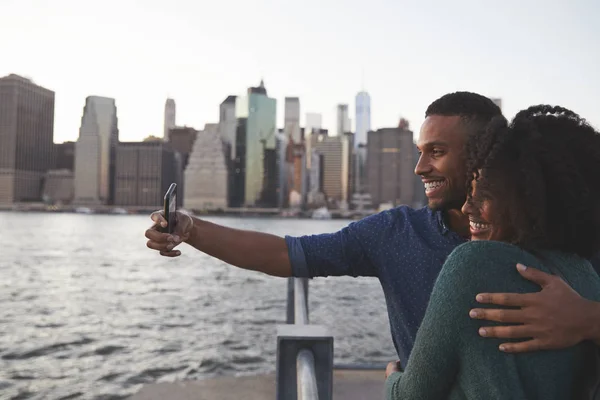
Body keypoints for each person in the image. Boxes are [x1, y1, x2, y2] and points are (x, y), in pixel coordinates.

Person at [144, 92, 600, 368]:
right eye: (420, 151)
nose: (420, 166)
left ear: (485, 155)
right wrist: (191, 229)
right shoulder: (396, 233)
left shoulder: (562, 231)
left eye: (437, 151)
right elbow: (288, 254)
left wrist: (587, 319)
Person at [384, 105, 600, 399]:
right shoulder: (585, 275)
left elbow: (410, 396)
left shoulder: (472, 263)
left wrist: (391, 379)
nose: (465, 208)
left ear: (528, 198)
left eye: (483, 194)